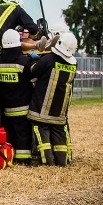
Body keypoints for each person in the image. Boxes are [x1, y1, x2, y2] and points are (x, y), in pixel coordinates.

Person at [27, 32, 78, 167]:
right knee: (60, 138)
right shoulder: (73, 65)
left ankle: (47, 164)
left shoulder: (48, 59)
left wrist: (33, 59)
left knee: (43, 140)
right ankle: (62, 161)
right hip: (59, 113)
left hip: (41, 111)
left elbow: (33, 72)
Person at [0, 29, 37, 165]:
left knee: (10, 135)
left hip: (6, 109)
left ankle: (9, 158)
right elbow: (34, 79)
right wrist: (34, 60)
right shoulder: (24, 62)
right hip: (23, 109)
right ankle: (23, 161)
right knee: (23, 136)